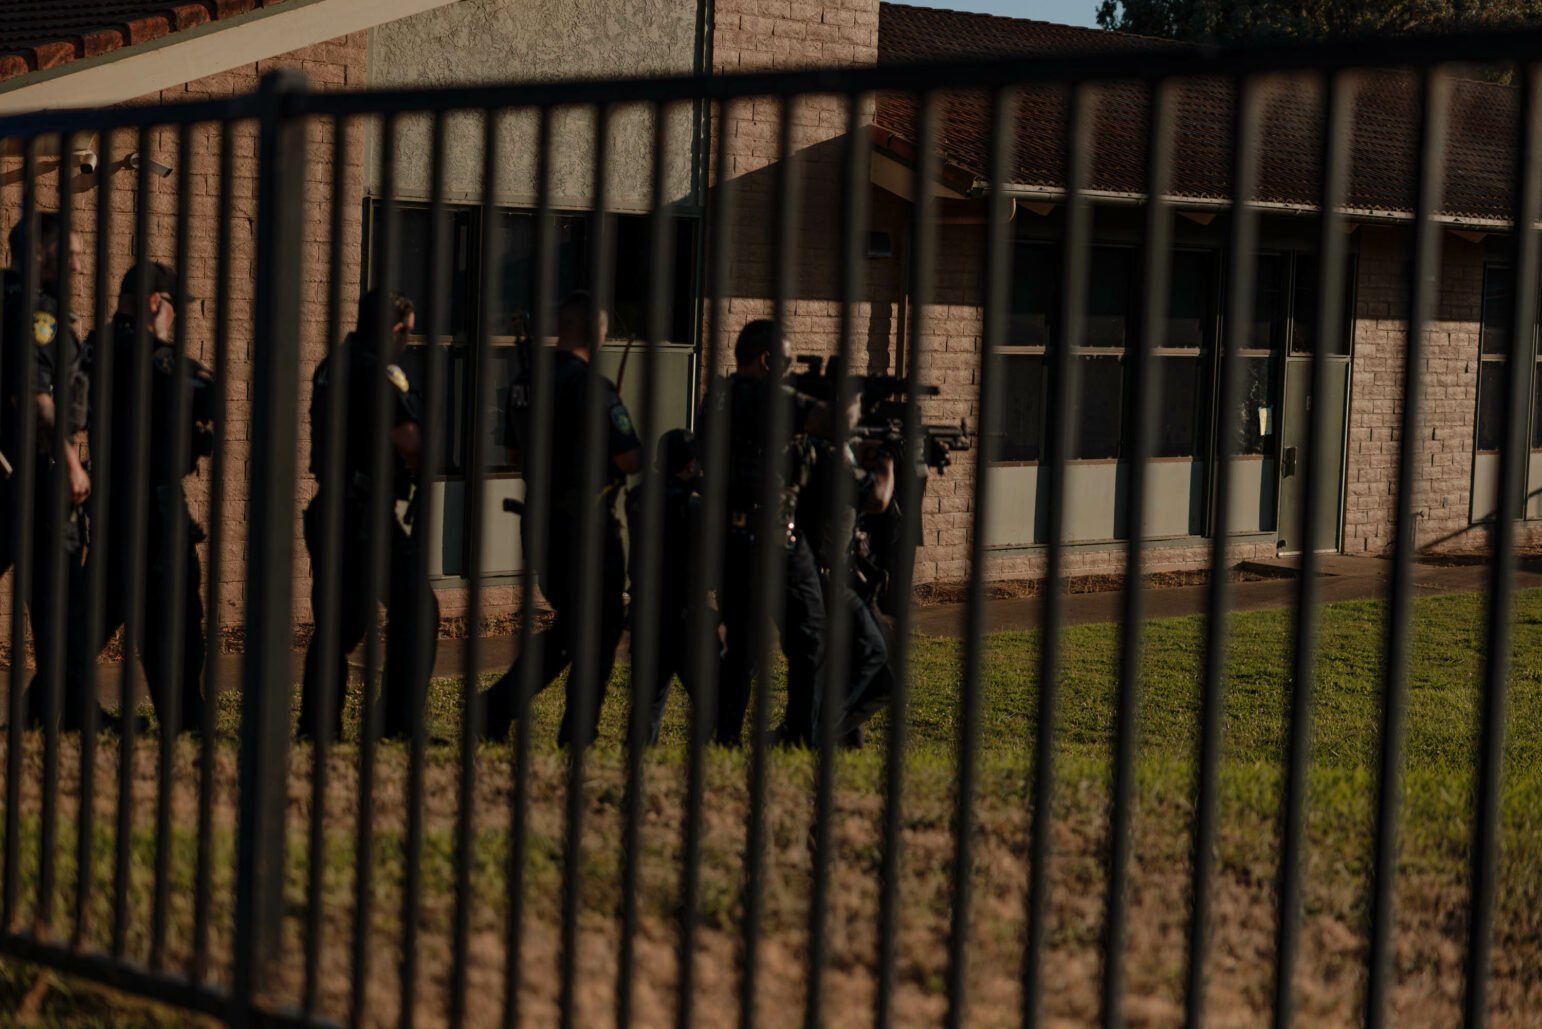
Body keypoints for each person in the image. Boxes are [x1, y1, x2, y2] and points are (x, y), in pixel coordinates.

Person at [481, 290, 642, 748]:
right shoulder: (593, 386)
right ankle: (573, 732)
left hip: (541, 524)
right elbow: (630, 458)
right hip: (586, 529)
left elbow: (514, 451)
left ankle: (497, 709)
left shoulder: (524, 382)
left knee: (572, 630)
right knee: (598, 630)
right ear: (598, 331)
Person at [58, 262, 213, 734]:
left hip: (109, 505)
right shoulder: (154, 357)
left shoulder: (92, 348)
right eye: (171, 309)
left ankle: (46, 713)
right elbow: (196, 388)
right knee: (178, 628)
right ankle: (185, 725)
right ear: (153, 303)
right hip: (155, 510)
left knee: (88, 625)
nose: (173, 319)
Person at [299, 289, 436, 743]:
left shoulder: (332, 366)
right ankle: (395, 723)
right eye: (409, 332)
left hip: (330, 507)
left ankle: (317, 726)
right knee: (418, 609)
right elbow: (410, 441)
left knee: (339, 625)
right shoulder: (379, 371)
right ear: (396, 328)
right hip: (363, 514)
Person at [4, 213, 103, 733]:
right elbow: (35, 397)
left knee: (53, 597)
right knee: (59, 597)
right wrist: (68, 464)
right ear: (40, 252)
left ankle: (64, 712)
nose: (80, 263)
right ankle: (76, 716)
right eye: (69, 253)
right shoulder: (38, 313)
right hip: (36, 473)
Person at [717, 319, 832, 748]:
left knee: (743, 650)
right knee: (811, 639)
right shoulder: (766, 396)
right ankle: (800, 735)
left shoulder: (721, 397)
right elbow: (828, 420)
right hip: (774, 538)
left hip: (733, 538)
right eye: (785, 361)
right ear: (767, 360)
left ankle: (725, 737)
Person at [795, 398, 896, 750]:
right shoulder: (830, 458)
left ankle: (842, 739)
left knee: (869, 670)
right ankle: (812, 734)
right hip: (825, 579)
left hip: (840, 577)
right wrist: (886, 457)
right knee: (873, 656)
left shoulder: (832, 455)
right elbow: (879, 497)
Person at [627, 428, 713, 745]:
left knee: (647, 707)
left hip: (646, 615)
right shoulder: (691, 505)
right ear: (689, 465)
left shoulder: (638, 498)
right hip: (683, 616)